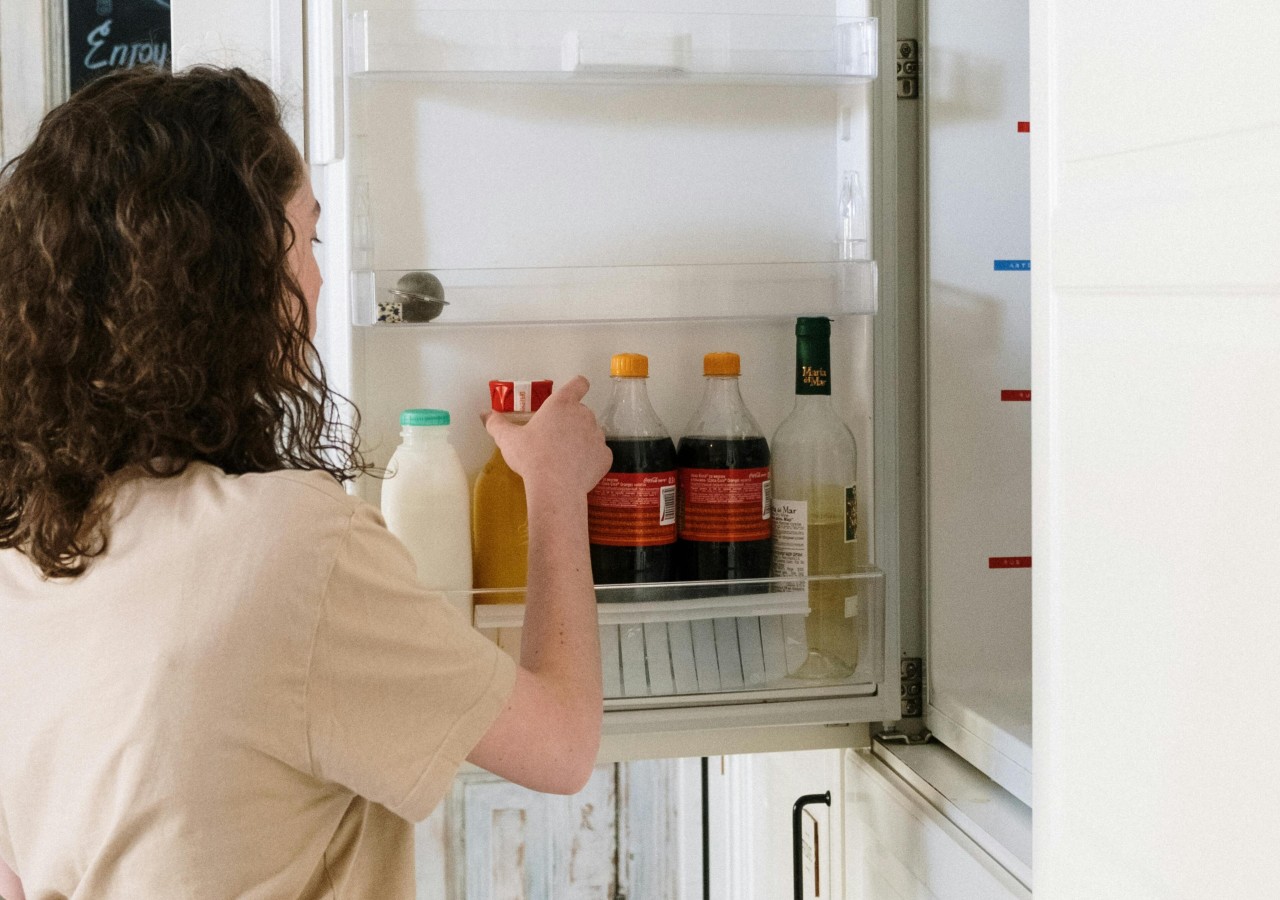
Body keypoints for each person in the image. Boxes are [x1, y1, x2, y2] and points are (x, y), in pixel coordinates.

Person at [0, 65, 611, 898]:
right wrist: (553, 485)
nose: (318, 280)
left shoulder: (26, 551)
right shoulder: (289, 547)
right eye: (308, 239)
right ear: (232, 279)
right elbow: (564, 746)